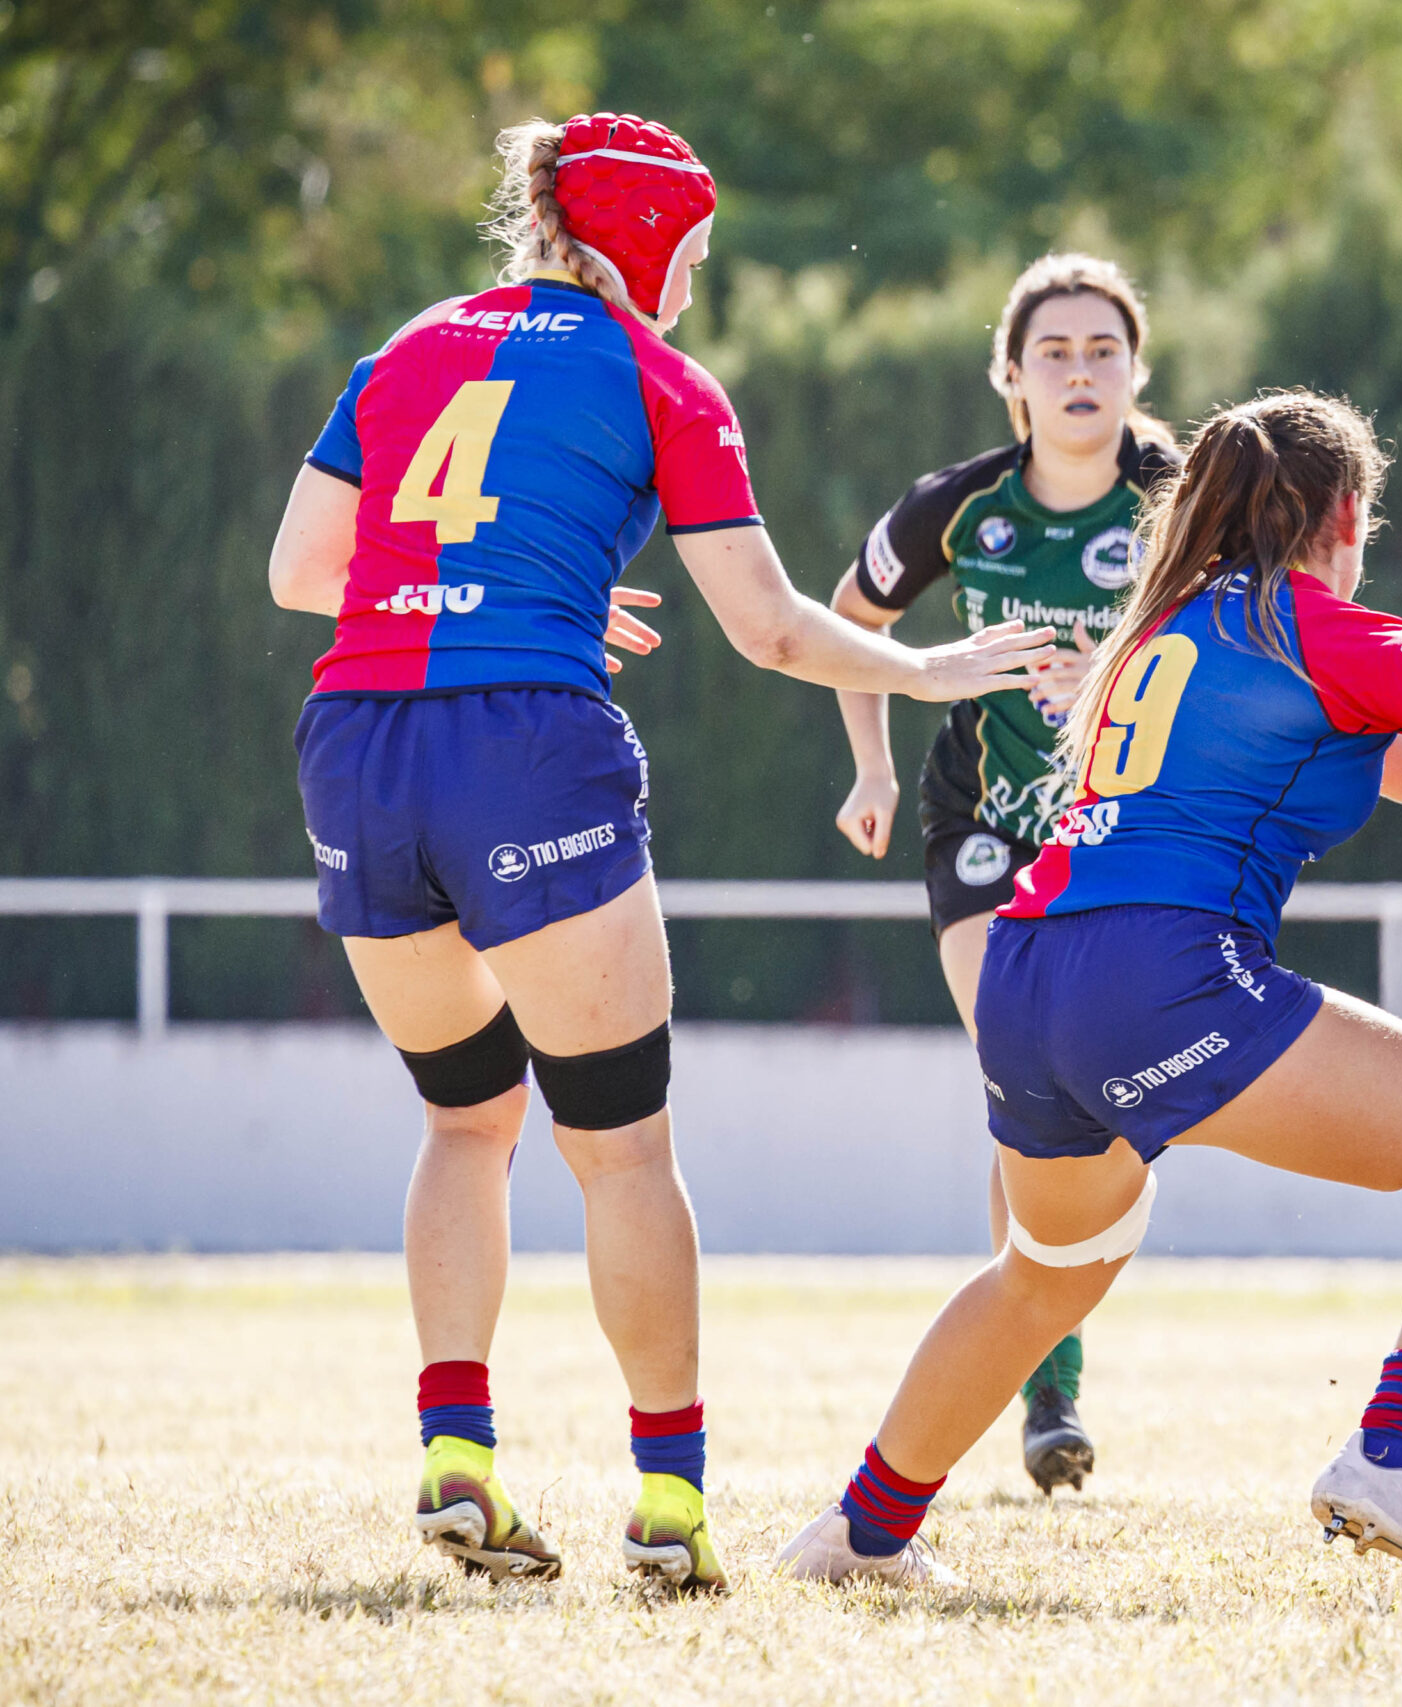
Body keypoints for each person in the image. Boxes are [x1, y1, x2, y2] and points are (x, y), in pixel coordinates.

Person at [775, 391, 1402, 1607]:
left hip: (1027, 974)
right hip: (1165, 974)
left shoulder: (1163, 626)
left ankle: (860, 1532)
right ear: (1345, 515)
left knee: (1047, 1270)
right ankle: (1395, 1460)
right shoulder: (1333, 630)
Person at [265, 113, 1051, 1594]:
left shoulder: (415, 337)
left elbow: (308, 571)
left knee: (462, 1122)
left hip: (360, 741)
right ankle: (671, 1502)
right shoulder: (657, 375)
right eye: (686, 252)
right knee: (620, 1142)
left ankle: (455, 1452)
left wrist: (501, 595)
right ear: (641, 242)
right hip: (523, 748)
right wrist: (935, 673)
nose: (690, 284)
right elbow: (766, 625)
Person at [827, 254, 1179, 1495]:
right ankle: (1048, 1387)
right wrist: (871, 767)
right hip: (981, 826)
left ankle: (1048, 1336)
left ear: (1137, 369)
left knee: (1105, 1100)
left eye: (1102, 351)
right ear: (1011, 379)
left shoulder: (1184, 500)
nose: (1080, 372)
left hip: (1134, 837)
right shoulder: (957, 506)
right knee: (1028, 1067)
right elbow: (847, 625)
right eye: (1054, 354)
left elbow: (1273, 629)